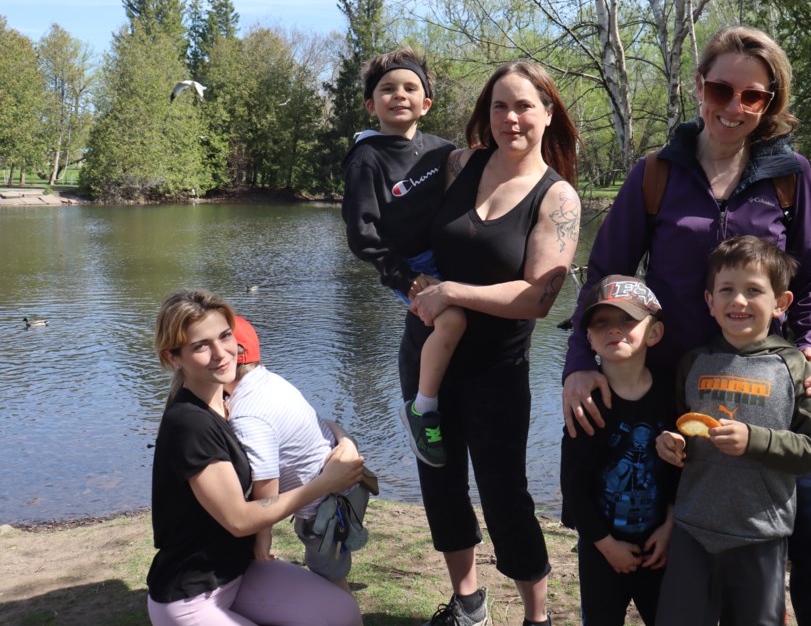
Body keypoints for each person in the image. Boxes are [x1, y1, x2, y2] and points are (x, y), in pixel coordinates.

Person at [561, 26, 811, 625]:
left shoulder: (789, 178)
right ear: (699, 88)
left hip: (771, 391)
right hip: (674, 393)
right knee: (681, 543)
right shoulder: (655, 174)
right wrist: (581, 364)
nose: (733, 108)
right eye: (721, 89)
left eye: (753, 96)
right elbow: (606, 276)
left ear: (769, 102)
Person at [404, 60, 581, 626]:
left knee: (505, 493)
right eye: (500, 106)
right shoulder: (460, 164)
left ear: (548, 114)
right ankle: (469, 605)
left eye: (525, 105)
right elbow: (398, 212)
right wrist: (404, 274)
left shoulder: (558, 200)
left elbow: (538, 297)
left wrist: (453, 289)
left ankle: (537, 616)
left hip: (495, 370)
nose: (511, 118)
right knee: (440, 481)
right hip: (427, 352)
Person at [147, 289, 363, 626]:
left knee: (342, 614)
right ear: (174, 357)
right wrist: (325, 483)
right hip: (192, 597)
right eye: (201, 346)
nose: (221, 353)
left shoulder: (225, 404)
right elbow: (239, 519)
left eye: (225, 336)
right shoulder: (189, 424)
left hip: (242, 571)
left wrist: (344, 440)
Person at [655, 235, 811, 625]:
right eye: (727, 291)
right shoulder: (694, 362)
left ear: (780, 304)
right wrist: (670, 444)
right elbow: (683, 429)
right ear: (710, 301)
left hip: (761, 535)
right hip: (692, 531)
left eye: (754, 291)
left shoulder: (794, 366)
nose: (738, 302)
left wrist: (755, 441)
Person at [342, 46, 466, 468]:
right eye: (387, 89)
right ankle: (422, 407)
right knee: (451, 319)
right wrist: (406, 278)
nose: (400, 95)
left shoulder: (442, 151)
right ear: (370, 104)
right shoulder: (366, 158)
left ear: (426, 103)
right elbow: (362, 235)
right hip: (414, 266)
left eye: (411, 88)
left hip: (454, 257)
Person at [559, 275, 679, 626]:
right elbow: (574, 485)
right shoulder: (585, 404)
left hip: (659, 546)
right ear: (590, 339)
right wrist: (605, 544)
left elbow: (681, 471)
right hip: (601, 548)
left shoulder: (671, 395)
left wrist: (670, 528)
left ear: (654, 333)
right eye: (601, 323)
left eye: (628, 319)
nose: (614, 329)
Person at [226, 315, 375, 594]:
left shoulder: (248, 413)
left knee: (329, 579)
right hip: (344, 483)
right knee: (322, 560)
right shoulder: (269, 381)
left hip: (328, 506)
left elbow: (266, 482)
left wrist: (263, 535)